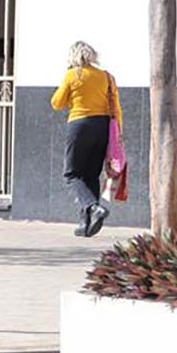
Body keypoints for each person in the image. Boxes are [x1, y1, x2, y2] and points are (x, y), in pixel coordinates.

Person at [50, 41, 123, 238]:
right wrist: (118, 134)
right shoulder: (106, 76)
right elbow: (116, 106)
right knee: (91, 174)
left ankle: (93, 207)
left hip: (79, 125)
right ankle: (85, 223)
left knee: (72, 174)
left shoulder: (73, 75)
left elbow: (56, 103)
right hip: (102, 126)